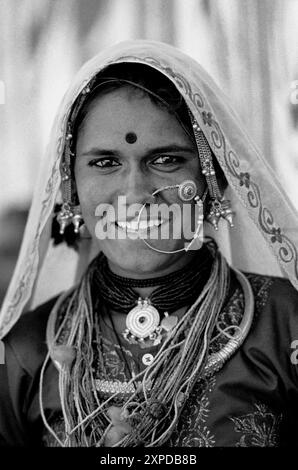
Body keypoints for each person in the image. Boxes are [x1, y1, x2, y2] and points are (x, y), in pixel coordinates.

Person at [0, 40, 298, 448]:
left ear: (215, 181)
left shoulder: (283, 325)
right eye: (105, 163)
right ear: (70, 187)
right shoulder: (26, 352)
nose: (136, 193)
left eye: (166, 160)